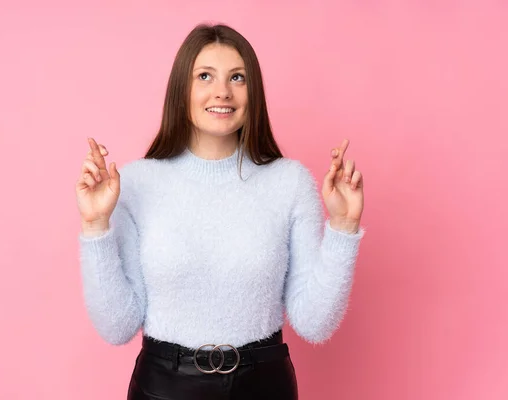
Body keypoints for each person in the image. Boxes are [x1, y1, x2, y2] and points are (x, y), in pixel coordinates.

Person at [75, 23, 365, 400]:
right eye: (205, 76)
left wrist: (343, 227)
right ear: (183, 90)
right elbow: (117, 327)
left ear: (253, 91)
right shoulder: (137, 184)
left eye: (238, 77)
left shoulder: (289, 183)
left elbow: (315, 324)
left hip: (264, 386)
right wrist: (95, 225)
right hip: (164, 388)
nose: (222, 92)